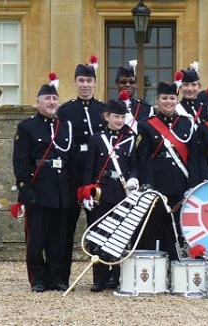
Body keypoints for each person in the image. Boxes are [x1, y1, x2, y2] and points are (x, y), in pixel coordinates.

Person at [13, 80, 75, 292]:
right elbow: (20, 162)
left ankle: (56, 277)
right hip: (38, 189)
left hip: (61, 190)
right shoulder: (27, 127)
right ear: (37, 102)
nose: (51, 102)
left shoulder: (64, 126)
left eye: (54, 98)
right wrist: (25, 189)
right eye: (47, 98)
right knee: (36, 239)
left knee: (59, 239)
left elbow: (71, 159)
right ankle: (38, 278)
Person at [136, 81, 201, 260]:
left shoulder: (187, 124)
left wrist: (192, 186)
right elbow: (144, 160)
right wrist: (149, 186)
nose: (168, 102)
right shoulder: (146, 125)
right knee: (157, 227)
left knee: (180, 229)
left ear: (177, 100)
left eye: (172, 98)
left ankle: (177, 264)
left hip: (181, 184)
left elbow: (194, 158)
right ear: (157, 100)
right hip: (158, 184)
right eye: (164, 98)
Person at [56, 58, 106, 288]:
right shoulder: (65, 110)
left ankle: (102, 278)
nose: (85, 85)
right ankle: (61, 279)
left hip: (96, 177)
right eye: (81, 80)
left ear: (95, 83)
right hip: (73, 177)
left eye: (89, 80)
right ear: (75, 82)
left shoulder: (103, 110)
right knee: (65, 230)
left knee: (99, 228)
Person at [81, 99, 139, 292]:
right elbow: (88, 168)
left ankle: (115, 276)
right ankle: (99, 277)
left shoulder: (130, 139)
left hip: (122, 194)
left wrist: (133, 178)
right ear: (107, 117)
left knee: (119, 236)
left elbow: (134, 166)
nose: (120, 121)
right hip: (101, 194)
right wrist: (86, 194)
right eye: (116, 117)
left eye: (123, 117)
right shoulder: (96, 139)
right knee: (99, 235)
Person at [115, 62, 154, 134]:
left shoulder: (146, 109)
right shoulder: (109, 109)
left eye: (131, 82)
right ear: (116, 84)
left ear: (135, 85)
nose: (127, 85)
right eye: (123, 82)